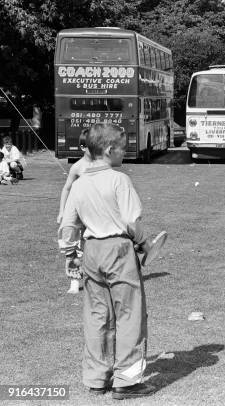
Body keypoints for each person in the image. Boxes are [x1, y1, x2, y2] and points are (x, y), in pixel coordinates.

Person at [58, 123, 156, 399]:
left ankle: (96, 378)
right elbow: (132, 220)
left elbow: (69, 226)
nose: (125, 153)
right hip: (118, 250)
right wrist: (142, 241)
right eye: (123, 148)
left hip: (90, 252)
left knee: (96, 315)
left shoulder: (79, 184)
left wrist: (69, 254)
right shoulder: (119, 179)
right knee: (129, 312)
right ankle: (126, 382)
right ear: (110, 150)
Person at [57, 129, 94, 294]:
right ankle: (74, 281)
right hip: (75, 214)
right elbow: (66, 189)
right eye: (91, 146)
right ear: (82, 147)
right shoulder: (77, 167)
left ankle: (93, 277)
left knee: (88, 246)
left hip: (92, 214)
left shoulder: (101, 166)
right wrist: (61, 211)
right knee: (71, 246)